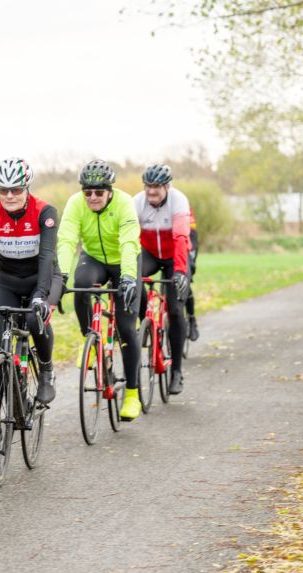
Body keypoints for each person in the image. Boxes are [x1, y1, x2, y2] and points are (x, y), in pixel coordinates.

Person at [57, 159, 143, 420]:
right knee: (81, 286)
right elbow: (67, 239)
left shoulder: (124, 203)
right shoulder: (75, 203)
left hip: (124, 261)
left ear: (110, 191)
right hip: (94, 258)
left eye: (98, 192)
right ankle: (90, 340)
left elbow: (129, 242)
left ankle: (131, 394)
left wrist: (128, 278)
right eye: (87, 192)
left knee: (127, 327)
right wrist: (59, 276)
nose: (92, 197)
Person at [0, 157, 63, 405]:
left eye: (15, 189)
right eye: (3, 190)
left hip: (43, 276)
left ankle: (46, 371)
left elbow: (47, 256)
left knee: (33, 317)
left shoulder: (44, 211)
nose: (9, 195)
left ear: (26, 188)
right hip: (7, 281)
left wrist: (40, 294)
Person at [134, 163, 191, 394]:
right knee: (133, 278)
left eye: (156, 187)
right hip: (149, 253)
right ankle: (145, 322)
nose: (151, 192)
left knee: (176, 311)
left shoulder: (179, 201)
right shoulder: (137, 202)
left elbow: (179, 237)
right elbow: (130, 238)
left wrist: (179, 271)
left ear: (167, 186)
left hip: (173, 257)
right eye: (148, 186)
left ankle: (176, 371)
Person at [185, 207, 199, 341]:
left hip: (187, 243)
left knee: (185, 281)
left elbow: (192, 233)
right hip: (163, 249)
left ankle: (191, 319)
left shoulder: (181, 202)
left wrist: (191, 257)